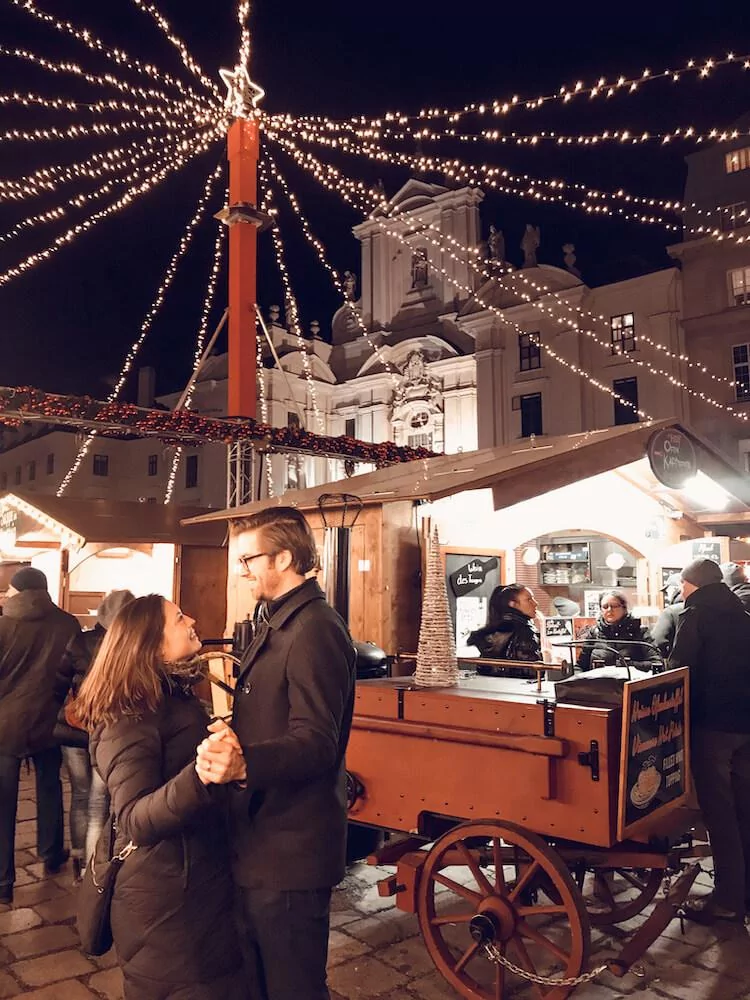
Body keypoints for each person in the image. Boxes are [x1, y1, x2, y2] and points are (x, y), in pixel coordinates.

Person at [195, 506, 356, 1000]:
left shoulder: (315, 629)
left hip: (291, 849)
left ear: (285, 557)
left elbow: (318, 742)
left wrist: (247, 762)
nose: (242, 571)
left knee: (294, 986)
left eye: (250, 560)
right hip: (263, 839)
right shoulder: (281, 621)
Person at [76, 595, 245, 999]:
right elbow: (135, 817)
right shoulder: (128, 716)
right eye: (179, 617)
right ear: (150, 644)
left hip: (193, 890)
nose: (192, 620)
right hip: (166, 907)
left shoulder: (170, 695)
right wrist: (202, 775)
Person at [669, 558, 750, 924]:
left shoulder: (696, 615)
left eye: (683, 586)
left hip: (713, 726)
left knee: (720, 813)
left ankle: (729, 901)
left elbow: (677, 671)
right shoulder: (743, 615)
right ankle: (743, 893)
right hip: (745, 726)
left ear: (692, 585)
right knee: (745, 809)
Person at [0, 566, 81, 905]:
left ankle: (3, 882)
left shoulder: (3, 624)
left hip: (5, 725)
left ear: (18, 591)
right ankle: (50, 852)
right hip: (50, 720)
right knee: (50, 785)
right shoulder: (68, 623)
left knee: (3, 801)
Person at [58, 590, 134, 881]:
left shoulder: (81, 641)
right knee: (99, 803)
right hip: (109, 733)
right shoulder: (128, 646)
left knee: (79, 796)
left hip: (76, 731)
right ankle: (93, 872)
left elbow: (59, 682)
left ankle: (78, 857)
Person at [467, 584, 542, 677]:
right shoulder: (524, 631)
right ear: (513, 604)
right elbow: (533, 671)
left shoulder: (492, 630)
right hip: (517, 688)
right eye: (529, 599)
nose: (535, 603)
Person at [577, 590, 662, 672]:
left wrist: (630, 665)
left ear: (624, 608)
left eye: (614, 606)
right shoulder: (594, 633)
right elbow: (580, 666)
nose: (609, 610)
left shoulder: (639, 632)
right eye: (605, 607)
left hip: (632, 684)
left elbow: (657, 664)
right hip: (600, 685)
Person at [650, 573, 684, 658]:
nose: (666, 595)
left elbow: (657, 641)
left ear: (675, 588)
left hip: (678, 665)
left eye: (667, 591)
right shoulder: (703, 608)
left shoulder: (671, 612)